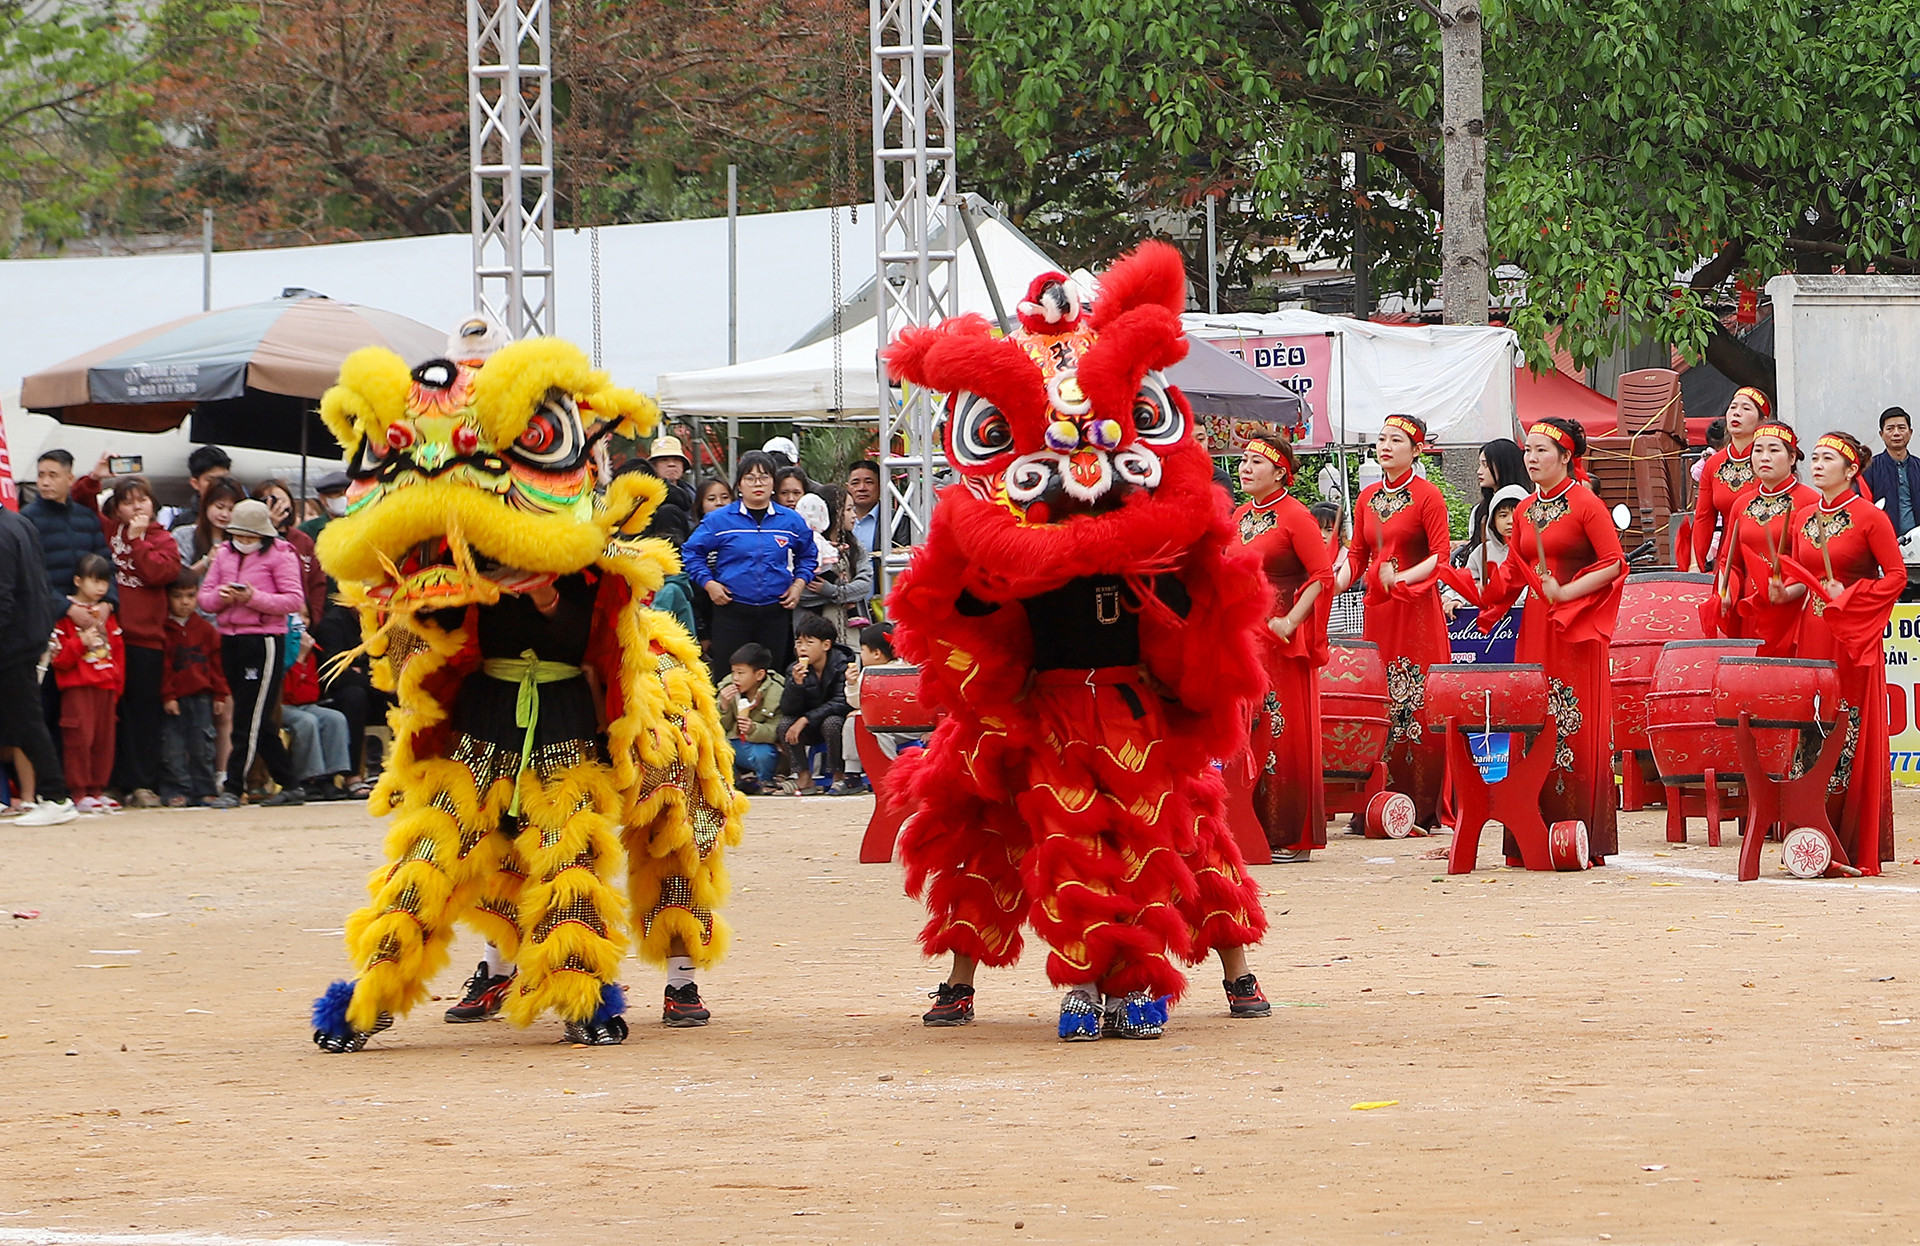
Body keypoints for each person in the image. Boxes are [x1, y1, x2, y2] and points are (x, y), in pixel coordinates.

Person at [1475, 417, 1626, 864]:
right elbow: (1513, 569)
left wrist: (1566, 592)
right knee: (1536, 718)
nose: (1533, 458)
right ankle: (1530, 831)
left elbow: (1615, 563)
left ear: (1566, 457)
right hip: (1538, 625)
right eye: (1529, 451)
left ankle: (1579, 832)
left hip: (1575, 626)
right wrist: (1484, 603)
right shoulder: (1523, 511)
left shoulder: (1586, 504)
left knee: (1574, 719)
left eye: (1543, 451)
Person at [1778, 431, 1903, 874]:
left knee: (1847, 724)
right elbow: (1800, 578)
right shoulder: (1803, 517)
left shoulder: (1870, 518)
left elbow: (1896, 577)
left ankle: (1849, 839)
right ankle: (1810, 832)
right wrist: (1781, 590)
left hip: (1851, 636)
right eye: (1814, 458)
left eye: (1828, 459)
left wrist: (1849, 594)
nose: (1817, 464)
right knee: (1813, 724)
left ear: (1850, 470)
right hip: (1812, 633)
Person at [1333, 414, 1452, 829]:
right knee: (1378, 702)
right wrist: (1332, 584)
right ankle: (1373, 801)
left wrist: (1400, 577)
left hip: (1415, 611)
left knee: (1417, 704)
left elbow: (1441, 556)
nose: (1385, 446)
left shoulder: (1428, 497)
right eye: (1381, 439)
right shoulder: (1366, 498)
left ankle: (1421, 804)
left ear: (1416, 450)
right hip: (1379, 612)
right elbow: (1356, 557)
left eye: (1396, 440)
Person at [1232, 435, 1332, 862]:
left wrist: (1292, 620)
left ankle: (1291, 833)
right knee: (1246, 727)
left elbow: (1323, 575)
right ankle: (1248, 826)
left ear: (1280, 472)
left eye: (1256, 462)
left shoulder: (1296, 516)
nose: (1246, 468)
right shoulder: (1238, 515)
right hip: (1244, 636)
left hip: (1281, 639)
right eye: (1243, 461)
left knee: (1283, 730)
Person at [69, 471, 181, 808]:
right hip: (108, 638)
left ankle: (144, 784)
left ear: (153, 503)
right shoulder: (108, 531)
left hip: (147, 640)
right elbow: (79, 501)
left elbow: (160, 573)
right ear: (116, 508)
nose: (136, 507)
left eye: (142, 500)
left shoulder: (163, 539)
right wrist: (94, 478)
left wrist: (136, 539)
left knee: (144, 712)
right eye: (127, 502)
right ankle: (114, 782)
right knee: (112, 712)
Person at [199, 498, 306, 805]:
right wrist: (222, 597)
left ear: (263, 535)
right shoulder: (224, 554)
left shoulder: (282, 554)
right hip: (230, 638)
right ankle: (290, 783)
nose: (243, 542)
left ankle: (234, 787)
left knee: (249, 716)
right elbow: (204, 599)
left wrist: (252, 598)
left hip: (264, 640)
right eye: (238, 536)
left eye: (250, 537)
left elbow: (292, 601)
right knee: (257, 718)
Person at [681, 450, 817, 669]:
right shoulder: (720, 520)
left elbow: (809, 555)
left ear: (773, 483)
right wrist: (709, 584)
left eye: (764, 477)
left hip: (776, 611)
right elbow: (691, 552)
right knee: (729, 678)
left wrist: (798, 585)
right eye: (750, 478)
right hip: (731, 610)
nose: (758, 484)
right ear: (739, 485)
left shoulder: (790, 520)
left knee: (772, 677)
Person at [1706, 421, 1817, 653]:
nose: (1764, 457)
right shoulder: (1742, 504)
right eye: (1758, 450)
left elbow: (1812, 567)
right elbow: (1730, 562)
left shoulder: (1810, 502)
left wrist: (1785, 591)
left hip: (1791, 610)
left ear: (1792, 457)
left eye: (1774, 450)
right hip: (1750, 609)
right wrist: (1725, 591)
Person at [0, 504, 76, 826]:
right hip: (28, 635)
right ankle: (54, 795)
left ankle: (56, 796)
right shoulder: (19, 523)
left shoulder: (4, 532)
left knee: (27, 722)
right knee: (22, 720)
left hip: (11, 642)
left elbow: (2, 599)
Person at [51, 553, 125, 812]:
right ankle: (80, 790)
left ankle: (97, 788)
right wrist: (80, 642)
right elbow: (58, 658)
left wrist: (117, 685)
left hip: (105, 685)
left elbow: (118, 651)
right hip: (78, 687)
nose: (101, 588)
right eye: (94, 581)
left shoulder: (107, 614)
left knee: (104, 741)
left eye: (105, 582)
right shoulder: (66, 616)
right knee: (79, 739)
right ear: (78, 581)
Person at [159, 572, 236, 808]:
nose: (185, 602)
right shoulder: (163, 630)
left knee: (203, 746)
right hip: (176, 699)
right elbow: (164, 667)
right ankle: (177, 790)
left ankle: (205, 789)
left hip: (202, 697)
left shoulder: (205, 629)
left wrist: (220, 694)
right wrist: (168, 696)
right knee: (173, 747)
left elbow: (216, 665)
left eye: (191, 596)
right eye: (178, 596)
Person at [1689, 387, 1767, 572]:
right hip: (1727, 558)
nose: (1737, 413)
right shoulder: (1714, 463)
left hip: (1764, 556)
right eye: (1733, 407)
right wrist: (1695, 565)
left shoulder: (1768, 461)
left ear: (1762, 420)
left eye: (1746, 408)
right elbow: (1703, 518)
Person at [777, 613, 856, 795]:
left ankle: (838, 776)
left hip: (836, 725)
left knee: (832, 723)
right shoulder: (794, 669)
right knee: (784, 725)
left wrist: (805, 719)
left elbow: (841, 702)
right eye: (799, 643)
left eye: (809, 643)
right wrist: (795, 685)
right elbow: (788, 709)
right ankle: (803, 776)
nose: (802, 649)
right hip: (810, 727)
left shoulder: (842, 665)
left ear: (826, 645)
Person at [797, 484, 873, 644]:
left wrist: (832, 591)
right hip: (811, 638)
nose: (854, 515)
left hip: (849, 634)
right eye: (848, 509)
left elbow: (865, 584)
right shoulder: (809, 546)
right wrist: (844, 594)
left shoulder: (855, 547)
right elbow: (801, 594)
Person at [254, 479, 327, 623]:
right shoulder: (253, 539)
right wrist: (269, 528)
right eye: (270, 501)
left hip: (300, 621)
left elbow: (317, 583)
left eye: (281, 500)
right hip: (265, 619)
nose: (278, 506)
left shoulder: (303, 540)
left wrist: (312, 618)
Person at [716, 643, 785, 793]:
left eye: (741, 673)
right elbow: (721, 728)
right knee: (717, 749)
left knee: (764, 755)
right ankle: (732, 781)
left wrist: (753, 728)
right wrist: (724, 707)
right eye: (733, 672)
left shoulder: (776, 692)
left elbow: (775, 730)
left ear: (759, 675)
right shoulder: (727, 687)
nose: (735, 678)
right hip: (735, 742)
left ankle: (765, 781)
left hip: (761, 745)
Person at [1460, 438, 1527, 562]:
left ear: (1504, 465)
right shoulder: (1479, 511)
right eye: (1480, 464)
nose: (1479, 471)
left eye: (1485, 465)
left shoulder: (1527, 504)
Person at [1862, 407, 1920, 542]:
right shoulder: (1869, 469)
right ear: (1881, 434)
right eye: (1890, 429)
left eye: (1901, 428)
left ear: (1910, 432)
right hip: (1883, 542)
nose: (1896, 433)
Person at [166, 445, 234, 532]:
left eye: (224, 479)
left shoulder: (241, 516)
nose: (219, 485)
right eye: (211, 480)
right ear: (195, 483)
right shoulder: (183, 523)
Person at [648, 435, 699, 514]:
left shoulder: (692, 493)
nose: (671, 464)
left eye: (676, 459)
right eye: (664, 460)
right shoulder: (644, 496)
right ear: (654, 466)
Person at [297, 471, 352, 540]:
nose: (344, 498)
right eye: (338, 494)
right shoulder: (308, 529)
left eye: (348, 493)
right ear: (323, 499)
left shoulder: (362, 524)